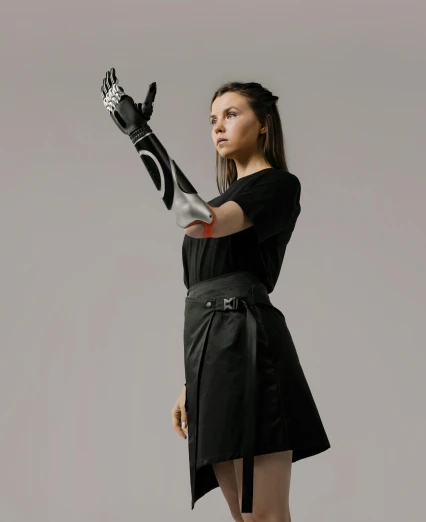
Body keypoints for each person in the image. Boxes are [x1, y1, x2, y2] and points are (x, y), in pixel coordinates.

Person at [101, 68, 330, 521]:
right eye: (212, 120)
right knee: (243, 518)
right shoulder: (227, 197)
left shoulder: (278, 187)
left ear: (263, 123)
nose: (218, 126)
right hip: (210, 353)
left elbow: (198, 220)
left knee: (264, 516)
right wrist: (192, 379)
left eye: (231, 114)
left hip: (250, 350)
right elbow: (204, 281)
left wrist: (141, 134)